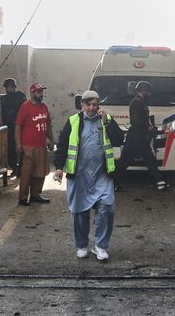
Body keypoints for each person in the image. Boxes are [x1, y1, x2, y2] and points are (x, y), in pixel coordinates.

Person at [52, 90, 125, 261]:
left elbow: (118, 140)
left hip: (102, 175)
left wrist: (108, 122)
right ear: (82, 105)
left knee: (107, 207)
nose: (92, 108)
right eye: (88, 104)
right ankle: (82, 244)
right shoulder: (73, 121)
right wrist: (58, 167)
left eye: (95, 104)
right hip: (79, 175)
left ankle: (100, 246)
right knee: (79, 212)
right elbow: (62, 145)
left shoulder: (105, 120)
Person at [113, 81, 167, 191]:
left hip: (138, 136)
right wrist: (148, 126)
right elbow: (135, 120)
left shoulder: (139, 102)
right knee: (126, 161)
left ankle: (160, 182)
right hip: (136, 137)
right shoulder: (137, 102)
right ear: (145, 91)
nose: (150, 95)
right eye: (149, 92)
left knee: (148, 159)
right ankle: (112, 183)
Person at [15, 82, 54, 205]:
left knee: (40, 171)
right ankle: (23, 197)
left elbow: (48, 125)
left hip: (41, 145)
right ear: (32, 93)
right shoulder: (25, 107)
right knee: (27, 172)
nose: (41, 94)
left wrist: (51, 140)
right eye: (38, 92)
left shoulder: (44, 107)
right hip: (28, 146)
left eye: (42, 92)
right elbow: (18, 126)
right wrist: (18, 143)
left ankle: (36, 194)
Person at [0, 78, 27, 176]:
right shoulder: (4, 99)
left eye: (12, 87)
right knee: (11, 148)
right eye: (8, 87)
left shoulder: (20, 96)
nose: (10, 89)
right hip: (10, 127)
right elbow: (3, 114)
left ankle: (21, 168)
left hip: (21, 126)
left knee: (22, 147)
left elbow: (25, 110)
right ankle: (14, 168)